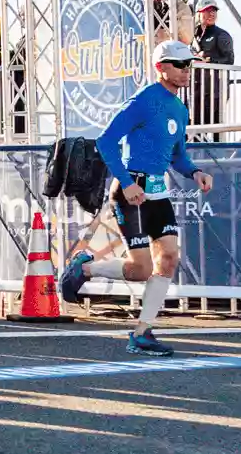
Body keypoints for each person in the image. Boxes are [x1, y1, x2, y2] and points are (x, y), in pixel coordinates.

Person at [59, 39, 214, 356]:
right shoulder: (143, 100)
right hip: (131, 193)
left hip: (158, 192)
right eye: (180, 65)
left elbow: (177, 156)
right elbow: (105, 141)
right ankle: (85, 268)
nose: (187, 70)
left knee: (169, 258)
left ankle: (142, 333)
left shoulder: (180, 109)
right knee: (142, 270)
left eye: (189, 65)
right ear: (161, 67)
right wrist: (128, 183)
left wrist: (195, 172)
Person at [190, 0, 235, 131]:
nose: (212, 14)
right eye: (207, 11)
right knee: (195, 128)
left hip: (215, 92)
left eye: (214, 10)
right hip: (196, 90)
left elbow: (229, 60)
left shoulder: (221, 35)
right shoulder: (193, 35)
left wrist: (209, 60)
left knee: (215, 129)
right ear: (198, 13)